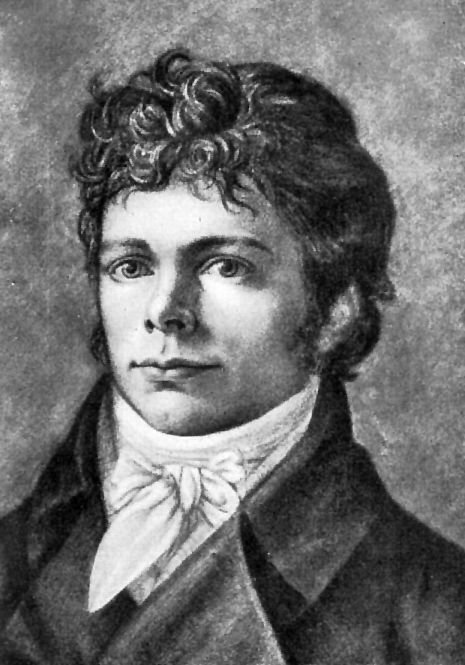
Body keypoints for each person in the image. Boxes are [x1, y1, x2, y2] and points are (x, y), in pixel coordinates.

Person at [1, 47, 464, 665]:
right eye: (131, 266)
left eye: (225, 266)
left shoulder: (433, 614)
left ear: (335, 309)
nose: (166, 310)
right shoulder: (13, 557)